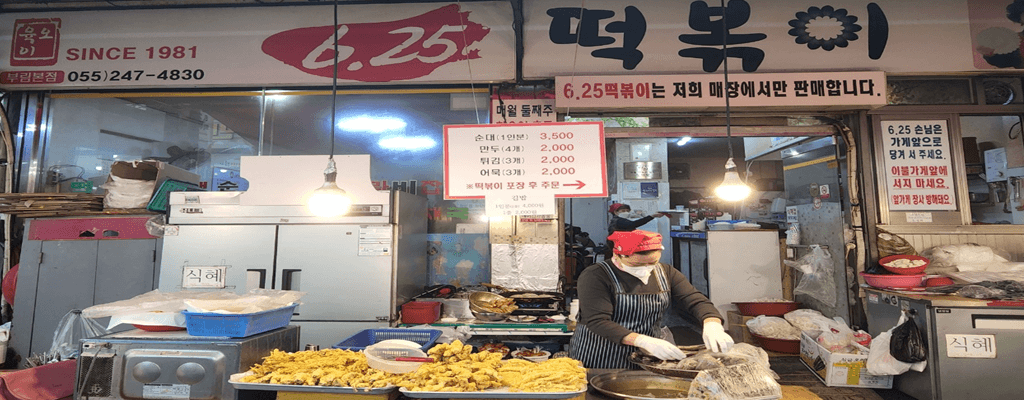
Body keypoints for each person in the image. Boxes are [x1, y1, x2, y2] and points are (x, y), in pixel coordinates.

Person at [569, 229, 733, 369]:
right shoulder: (596, 275)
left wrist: (712, 323)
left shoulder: (666, 272)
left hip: (648, 357)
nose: (646, 269)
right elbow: (597, 321)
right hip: (601, 356)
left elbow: (695, 300)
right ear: (618, 255)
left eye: (652, 262)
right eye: (637, 265)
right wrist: (642, 341)